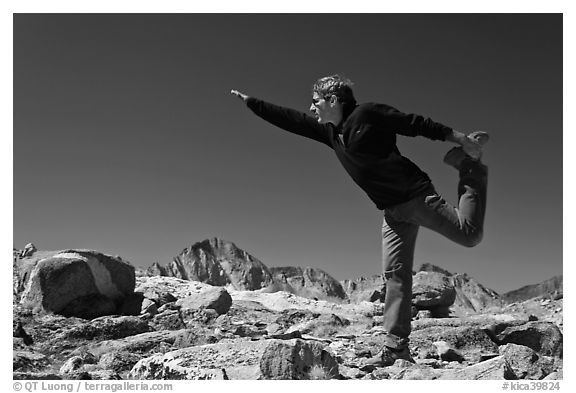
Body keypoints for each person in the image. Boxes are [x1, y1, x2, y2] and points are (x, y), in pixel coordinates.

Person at [230, 75, 488, 367]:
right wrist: (253, 104)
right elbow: (292, 120)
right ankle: (396, 348)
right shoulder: (330, 132)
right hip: (392, 213)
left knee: (469, 235)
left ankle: (469, 167)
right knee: (395, 275)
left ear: (333, 100)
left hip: (416, 197)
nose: (312, 108)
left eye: (315, 102)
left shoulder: (368, 114)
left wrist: (460, 140)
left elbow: (415, 123)